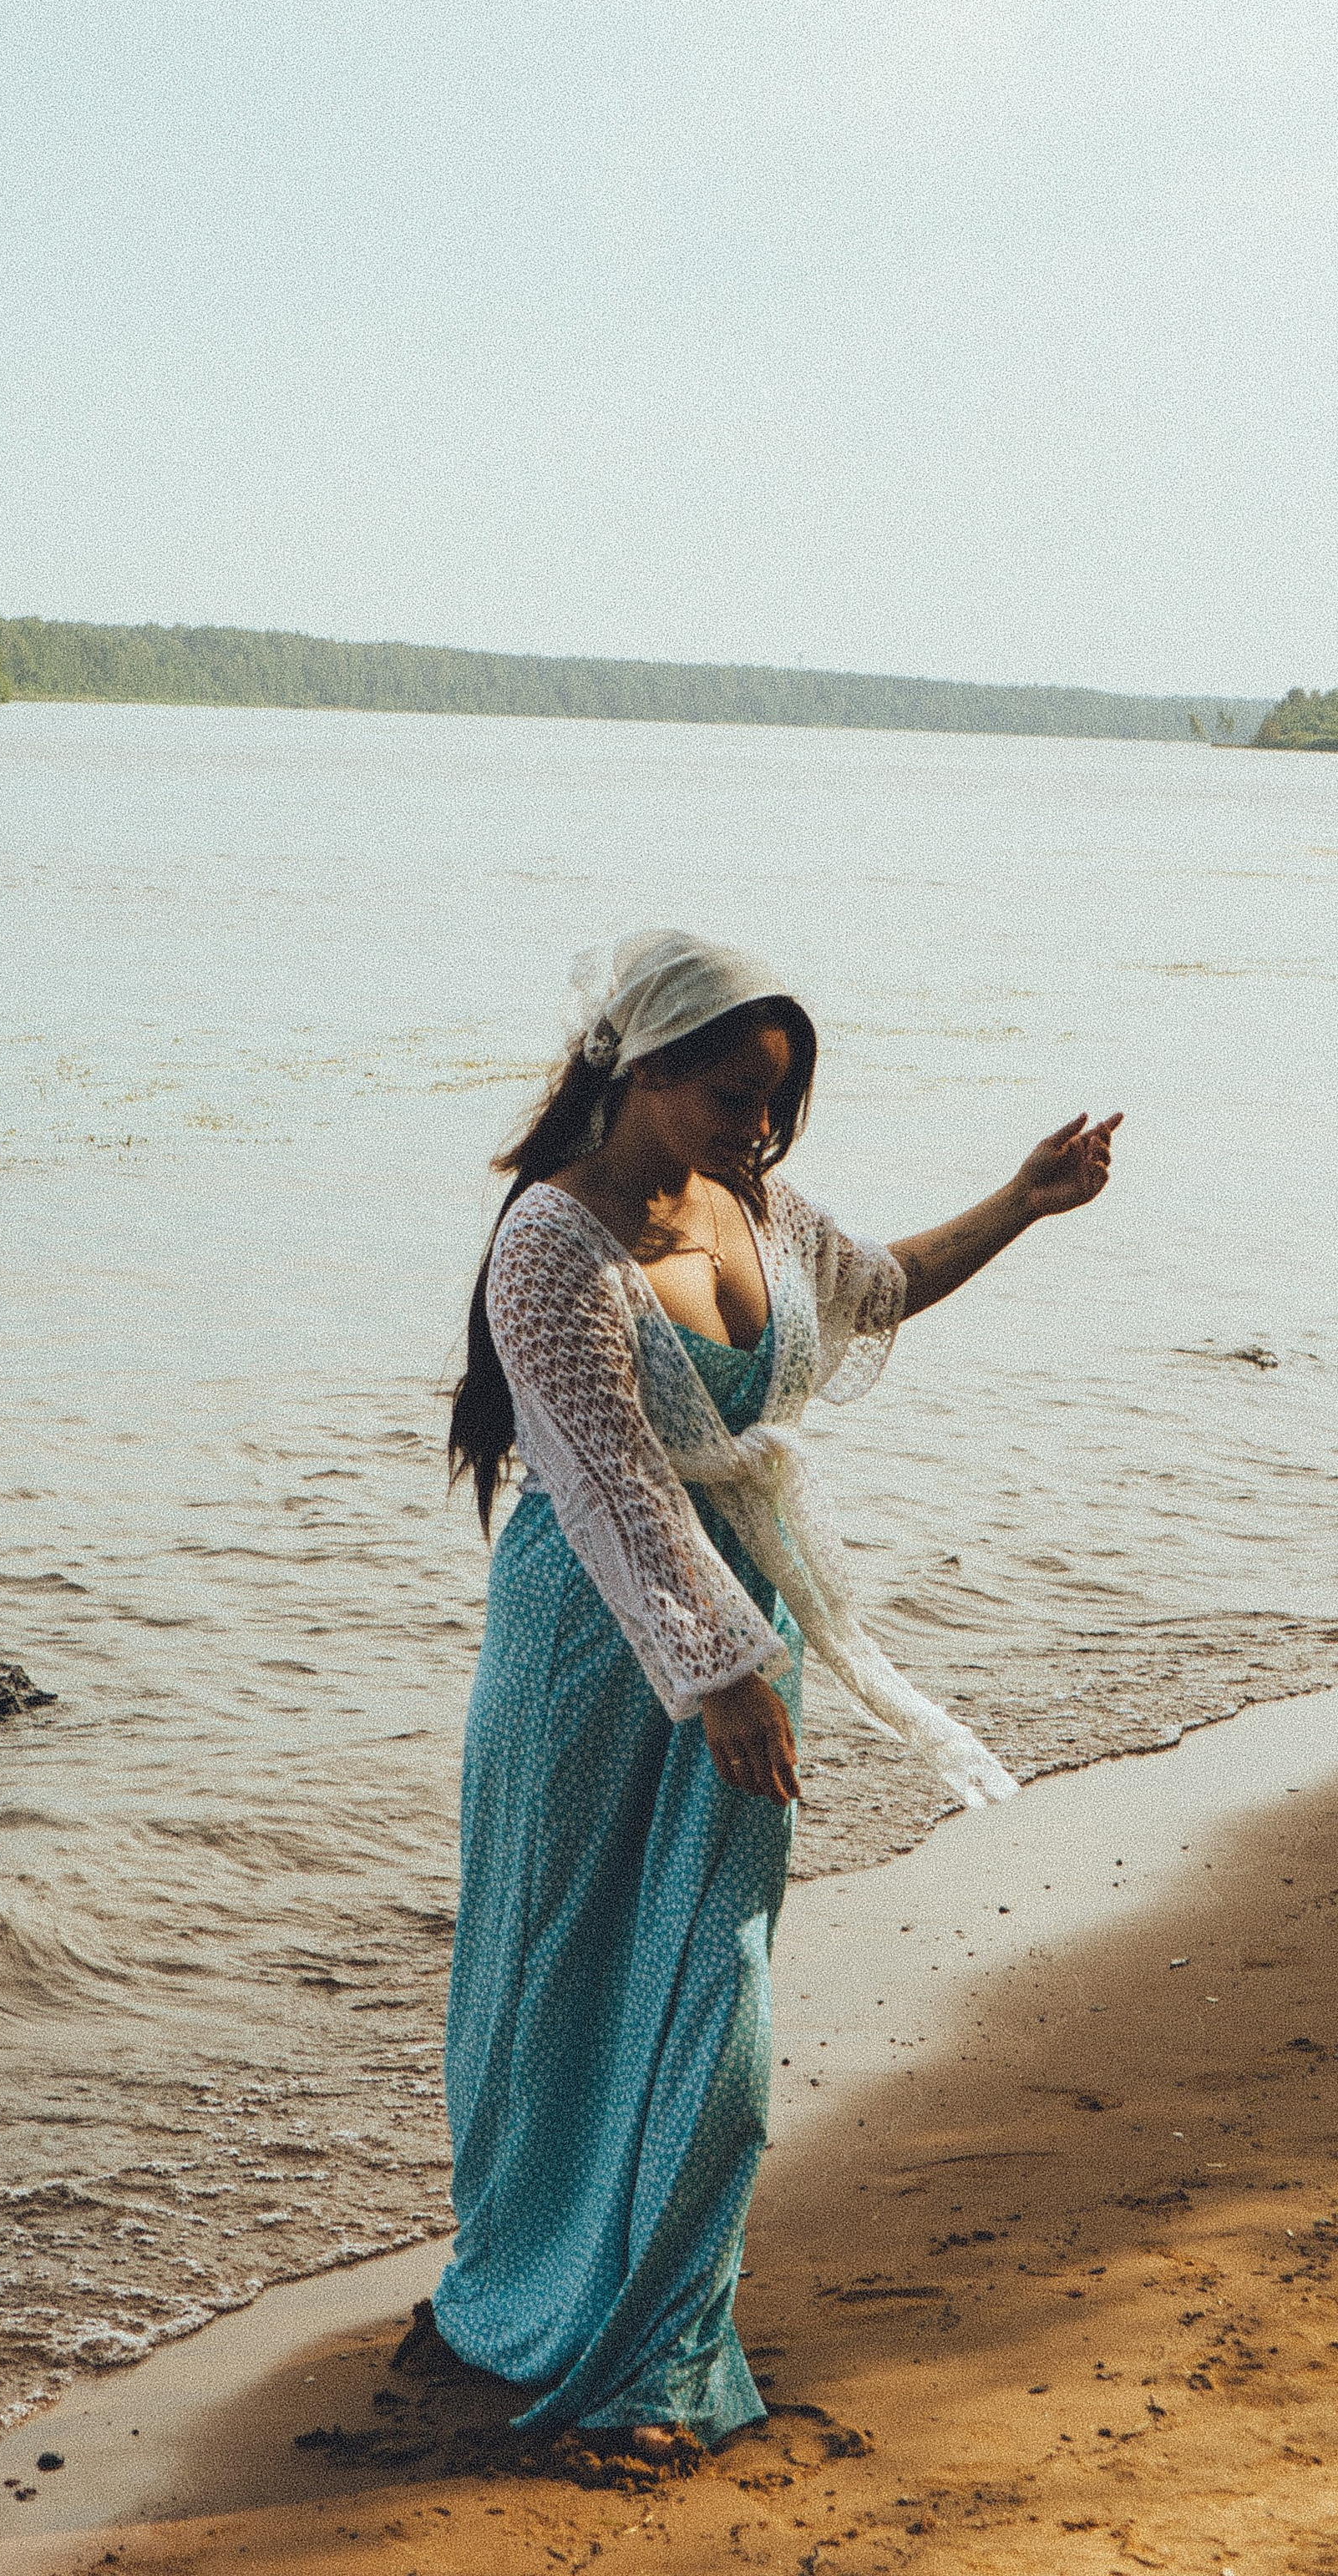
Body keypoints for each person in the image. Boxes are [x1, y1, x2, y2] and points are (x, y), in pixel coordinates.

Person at [432, 927, 1120, 2458]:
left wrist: (1023, 1201)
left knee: (711, 1989)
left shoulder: (752, 1203)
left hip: (727, 1650)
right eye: (738, 1092)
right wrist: (726, 1675)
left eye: (780, 1098)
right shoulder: (550, 1241)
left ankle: (659, 2336)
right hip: (593, 1655)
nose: (763, 1125)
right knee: (557, 1979)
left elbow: (874, 1289)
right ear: (643, 1065)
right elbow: (613, 1490)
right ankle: (521, 2285)